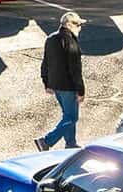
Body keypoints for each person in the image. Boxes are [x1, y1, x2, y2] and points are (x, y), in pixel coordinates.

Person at [35, 12, 85, 151]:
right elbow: (75, 69)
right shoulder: (71, 41)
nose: (80, 27)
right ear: (68, 24)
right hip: (68, 86)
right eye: (77, 24)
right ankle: (46, 141)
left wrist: (46, 82)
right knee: (72, 118)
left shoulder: (51, 38)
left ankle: (71, 143)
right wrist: (81, 90)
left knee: (67, 116)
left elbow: (45, 62)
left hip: (55, 85)